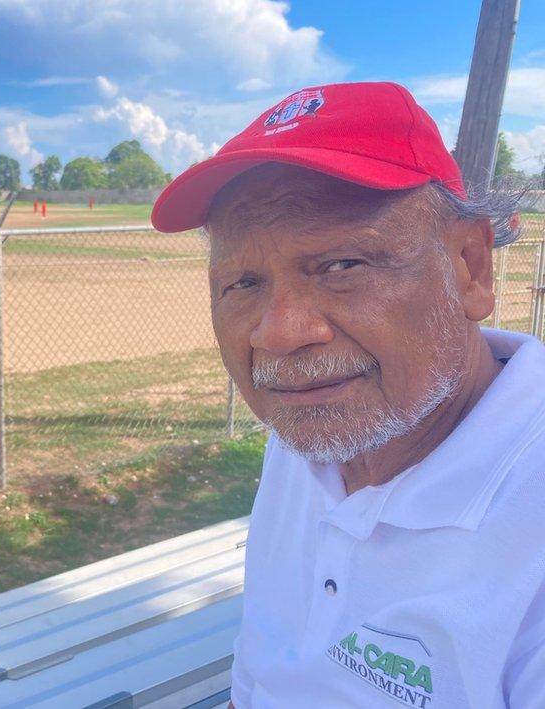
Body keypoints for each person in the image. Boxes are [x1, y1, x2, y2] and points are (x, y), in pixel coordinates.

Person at [151, 81, 545, 708]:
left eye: (342, 265)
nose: (279, 333)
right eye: (243, 282)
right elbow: (259, 676)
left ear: (470, 267)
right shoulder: (312, 434)